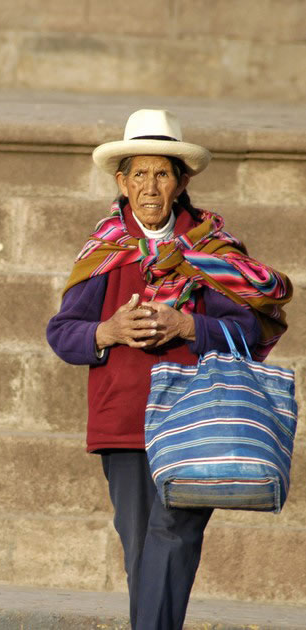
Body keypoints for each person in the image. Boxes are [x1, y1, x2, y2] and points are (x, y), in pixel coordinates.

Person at [46, 109, 292, 629]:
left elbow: (254, 329)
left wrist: (187, 326)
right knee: (141, 549)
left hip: (193, 420)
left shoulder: (213, 253)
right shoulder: (104, 253)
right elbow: (62, 332)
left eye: (162, 173)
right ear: (122, 181)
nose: (151, 187)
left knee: (174, 536)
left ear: (182, 182)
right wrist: (106, 331)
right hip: (124, 421)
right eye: (139, 174)